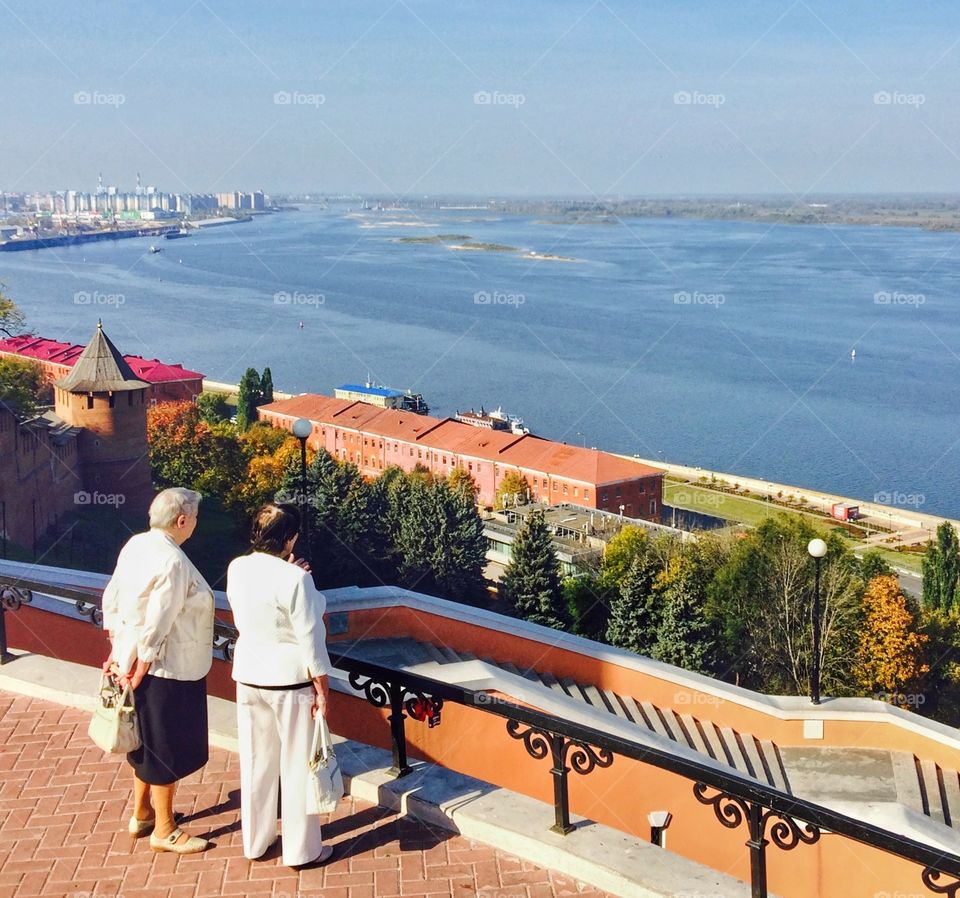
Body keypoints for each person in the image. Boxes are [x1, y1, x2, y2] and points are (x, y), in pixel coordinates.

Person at [101, 487, 214, 854]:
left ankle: (143, 812)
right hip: (169, 667)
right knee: (167, 746)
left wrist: (120, 652)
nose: (196, 524)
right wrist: (142, 665)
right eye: (194, 518)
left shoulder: (135, 545)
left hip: (130, 657)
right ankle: (165, 830)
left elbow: (112, 598)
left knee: (144, 741)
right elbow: (159, 622)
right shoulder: (174, 562)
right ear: (182, 521)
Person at [226, 503, 333, 868]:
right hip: (288, 681)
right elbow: (310, 636)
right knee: (296, 765)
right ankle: (302, 850)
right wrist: (322, 688)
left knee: (256, 761)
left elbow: (261, 600)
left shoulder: (237, 567)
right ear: (290, 538)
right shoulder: (297, 579)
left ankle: (255, 842)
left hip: (249, 674)